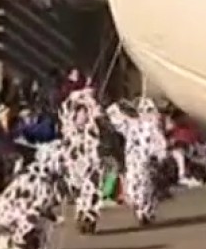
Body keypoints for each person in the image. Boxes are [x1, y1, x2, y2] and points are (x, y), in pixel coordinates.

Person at [105, 97, 166, 226]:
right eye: (143, 111)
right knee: (133, 191)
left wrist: (159, 158)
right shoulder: (131, 124)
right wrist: (122, 104)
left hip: (148, 164)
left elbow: (160, 145)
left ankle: (146, 214)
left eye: (149, 111)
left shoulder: (154, 127)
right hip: (133, 163)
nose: (146, 114)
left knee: (147, 190)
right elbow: (112, 114)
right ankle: (141, 210)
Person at [55, 83, 104, 233]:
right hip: (75, 170)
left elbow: (98, 113)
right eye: (80, 113)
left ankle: (88, 220)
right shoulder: (69, 129)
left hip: (91, 168)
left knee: (91, 194)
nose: (82, 117)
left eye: (85, 114)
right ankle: (81, 216)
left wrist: (90, 98)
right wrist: (80, 94)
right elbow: (65, 107)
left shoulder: (92, 130)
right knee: (79, 195)